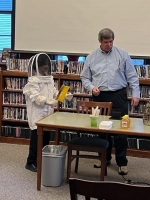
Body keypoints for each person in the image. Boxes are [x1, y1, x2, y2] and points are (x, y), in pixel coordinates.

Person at [80, 28, 140, 175]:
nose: (109, 44)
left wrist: (135, 94)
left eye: (111, 41)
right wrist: (91, 87)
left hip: (118, 95)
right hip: (99, 97)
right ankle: (104, 158)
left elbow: (132, 76)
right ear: (100, 41)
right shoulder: (91, 57)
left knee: (120, 130)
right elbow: (84, 77)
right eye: (106, 42)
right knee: (102, 130)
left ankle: (122, 162)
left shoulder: (123, 54)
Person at [23, 53, 73, 172]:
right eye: (43, 64)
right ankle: (30, 162)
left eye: (47, 64)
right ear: (37, 65)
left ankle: (41, 159)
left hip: (48, 113)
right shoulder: (32, 82)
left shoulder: (48, 79)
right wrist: (46, 101)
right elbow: (35, 96)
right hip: (37, 113)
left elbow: (54, 92)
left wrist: (64, 95)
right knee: (36, 139)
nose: (46, 66)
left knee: (46, 138)